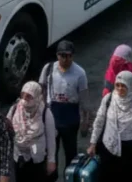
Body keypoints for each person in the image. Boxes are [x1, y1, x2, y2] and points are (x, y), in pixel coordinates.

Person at [88, 71, 132, 182]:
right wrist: (93, 143)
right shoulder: (109, 99)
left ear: (130, 85)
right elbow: (99, 121)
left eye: (124, 86)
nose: (120, 89)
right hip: (109, 148)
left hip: (130, 151)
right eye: (117, 85)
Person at [38, 40, 88, 170]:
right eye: (62, 55)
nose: (66, 59)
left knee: (70, 152)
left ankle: (69, 176)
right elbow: (41, 89)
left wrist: (85, 121)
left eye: (69, 56)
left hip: (70, 115)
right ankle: (51, 177)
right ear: (57, 55)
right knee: (51, 152)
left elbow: (83, 99)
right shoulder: (48, 69)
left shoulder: (80, 73)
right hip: (52, 114)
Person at [9, 81, 57, 180]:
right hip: (19, 158)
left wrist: (51, 160)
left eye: (29, 96)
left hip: (37, 160)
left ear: (36, 97)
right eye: (23, 95)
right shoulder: (15, 109)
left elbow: (51, 139)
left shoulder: (45, 113)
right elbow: (6, 127)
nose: (24, 99)